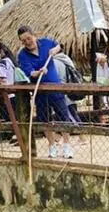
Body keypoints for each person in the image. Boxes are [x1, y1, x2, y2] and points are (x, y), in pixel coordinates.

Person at [16, 26, 75, 159]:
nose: (27, 42)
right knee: (45, 119)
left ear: (34, 35)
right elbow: (29, 72)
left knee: (63, 116)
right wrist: (38, 73)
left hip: (55, 87)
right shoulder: (22, 55)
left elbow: (59, 45)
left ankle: (67, 145)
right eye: (23, 40)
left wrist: (55, 49)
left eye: (28, 38)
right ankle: (52, 145)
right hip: (40, 91)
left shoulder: (46, 43)